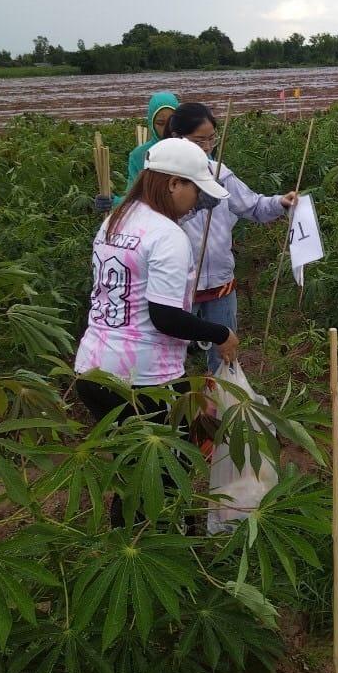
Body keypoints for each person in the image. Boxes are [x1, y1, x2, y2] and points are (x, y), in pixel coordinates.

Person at [73, 137, 238, 527]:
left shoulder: (117, 219)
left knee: (135, 471)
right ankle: (165, 552)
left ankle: (128, 549)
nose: (197, 201)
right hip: (144, 381)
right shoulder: (167, 235)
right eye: (195, 189)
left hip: (93, 369)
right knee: (164, 474)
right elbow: (164, 316)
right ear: (173, 184)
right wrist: (219, 333)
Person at [168, 102, 298, 373]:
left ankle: (223, 407)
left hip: (219, 283)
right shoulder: (164, 179)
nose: (206, 147)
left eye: (211, 139)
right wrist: (194, 207)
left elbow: (252, 205)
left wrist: (281, 203)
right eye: (198, 140)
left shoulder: (220, 174)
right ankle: (179, 408)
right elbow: (158, 220)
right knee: (172, 356)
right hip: (178, 286)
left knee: (225, 354)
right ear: (176, 138)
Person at [94, 90, 179, 212]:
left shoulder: (192, 148)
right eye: (160, 123)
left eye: (171, 122)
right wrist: (113, 202)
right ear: (151, 123)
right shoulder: (140, 155)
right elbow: (133, 197)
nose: (167, 129)